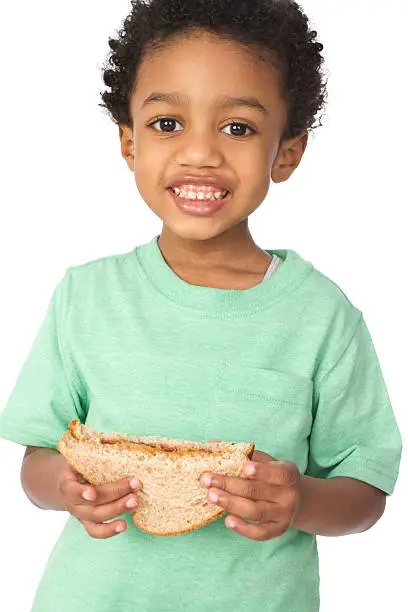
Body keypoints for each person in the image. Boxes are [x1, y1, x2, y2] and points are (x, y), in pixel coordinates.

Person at [0, 1, 402, 610]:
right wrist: (64, 487)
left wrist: (302, 501)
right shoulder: (85, 295)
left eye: (237, 128)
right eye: (167, 124)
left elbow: (366, 492)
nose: (199, 154)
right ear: (129, 142)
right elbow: (37, 462)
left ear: (286, 152)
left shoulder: (323, 317)